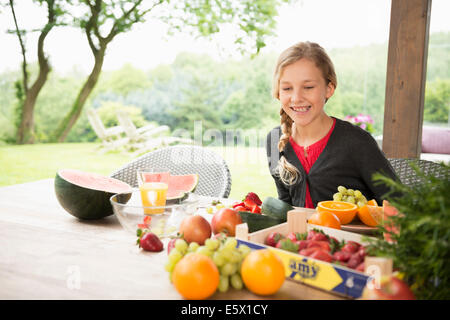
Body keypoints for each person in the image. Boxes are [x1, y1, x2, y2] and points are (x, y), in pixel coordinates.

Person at [266, 41, 398, 208]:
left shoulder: (357, 142)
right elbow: (285, 207)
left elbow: (399, 203)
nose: (296, 97)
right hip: (299, 235)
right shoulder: (274, 140)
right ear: (278, 91)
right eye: (287, 88)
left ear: (329, 88)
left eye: (308, 87)